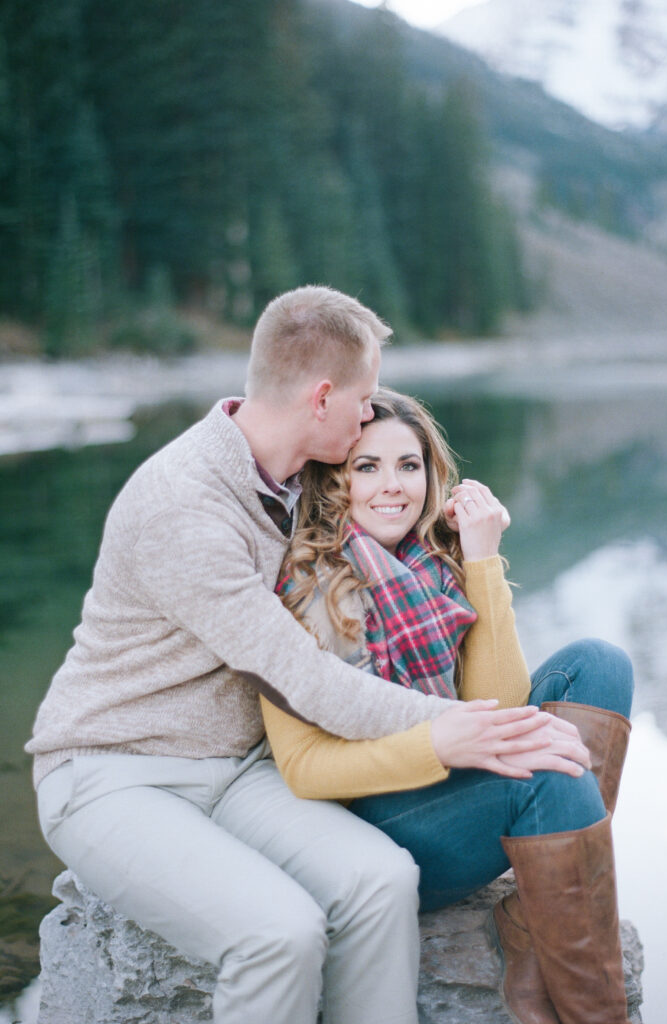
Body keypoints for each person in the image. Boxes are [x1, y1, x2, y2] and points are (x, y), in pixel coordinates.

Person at [25, 286, 590, 1024]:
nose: (370, 417)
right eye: (365, 399)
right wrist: (448, 729)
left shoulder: (292, 478)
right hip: (113, 772)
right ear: (323, 397)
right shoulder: (186, 505)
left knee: (382, 878)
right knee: (278, 934)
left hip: (237, 771)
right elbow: (301, 677)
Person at [263, 388, 635, 1024]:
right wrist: (443, 745)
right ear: (334, 479)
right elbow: (306, 769)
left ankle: (526, 920)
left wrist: (482, 560)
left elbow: (500, 702)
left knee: (600, 665)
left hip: (454, 775)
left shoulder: (431, 563)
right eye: (367, 466)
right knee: (548, 769)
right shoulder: (305, 586)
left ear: (432, 476)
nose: (393, 487)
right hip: (379, 827)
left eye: (408, 466)